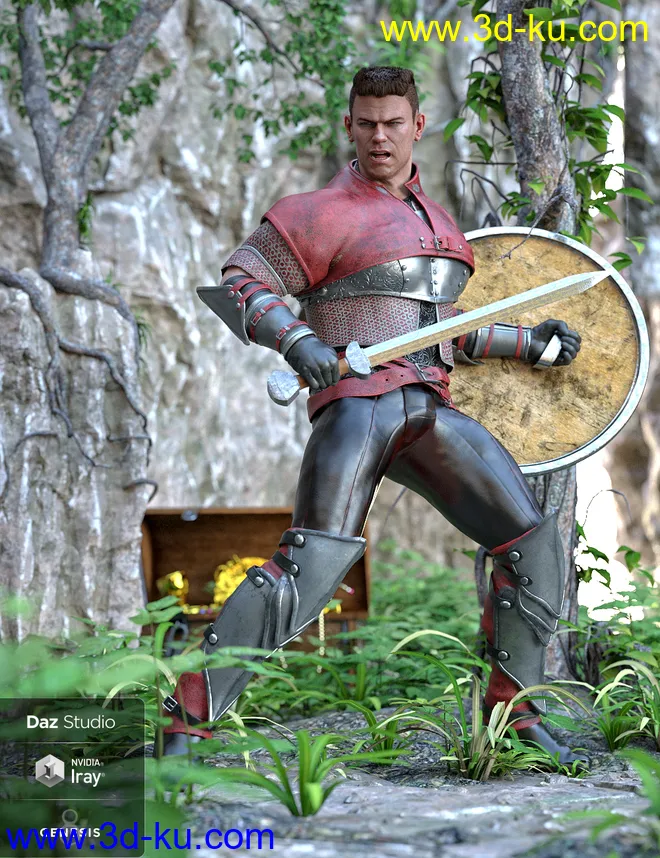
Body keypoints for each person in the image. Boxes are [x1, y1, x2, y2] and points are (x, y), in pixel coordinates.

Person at [159, 67, 585, 765]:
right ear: (349, 126)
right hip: (357, 409)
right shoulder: (315, 212)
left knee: (530, 544)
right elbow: (242, 281)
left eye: (392, 123)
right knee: (311, 569)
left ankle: (517, 713)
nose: (379, 136)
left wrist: (530, 343)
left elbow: (445, 330)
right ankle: (185, 722)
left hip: (430, 412)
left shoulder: (439, 223)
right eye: (366, 123)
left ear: (417, 126)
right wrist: (297, 340)